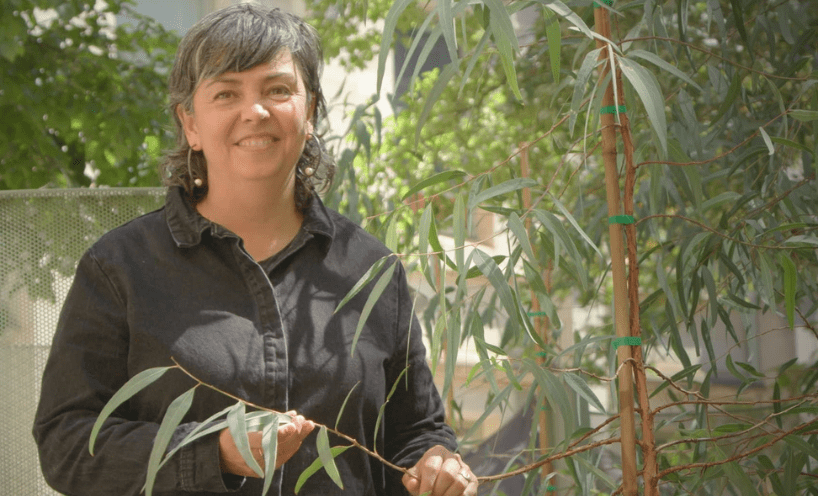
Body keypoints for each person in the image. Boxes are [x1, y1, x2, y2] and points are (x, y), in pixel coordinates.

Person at [32, 4, 477, 496]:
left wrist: (438, 465)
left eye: (278, 89)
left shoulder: (369, 269)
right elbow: (66, 445)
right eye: (226, 92)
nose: (256, 111)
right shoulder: (120, 268)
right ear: (190, 124)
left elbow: (416, 432)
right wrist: (212, 453)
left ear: (309, 113)